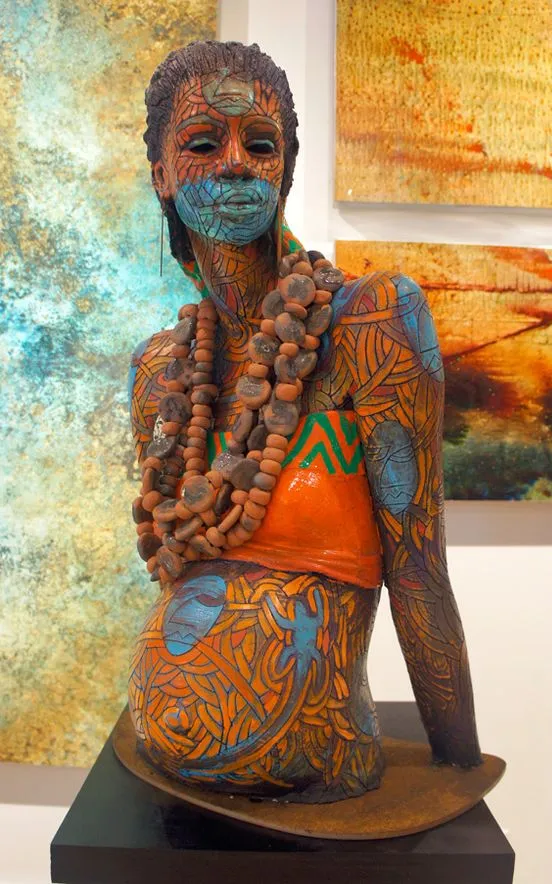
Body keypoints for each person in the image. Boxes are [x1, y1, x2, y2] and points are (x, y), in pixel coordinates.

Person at [128, 40, 481, 803]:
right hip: (166, 783)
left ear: (285, 167)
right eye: (202, 143)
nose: (235, 163)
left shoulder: (371, 324)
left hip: (325, 782)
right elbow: (174, 571)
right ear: (161, 174)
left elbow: (418, 568)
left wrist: (459, 768)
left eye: (260, 144)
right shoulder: (162, 370)